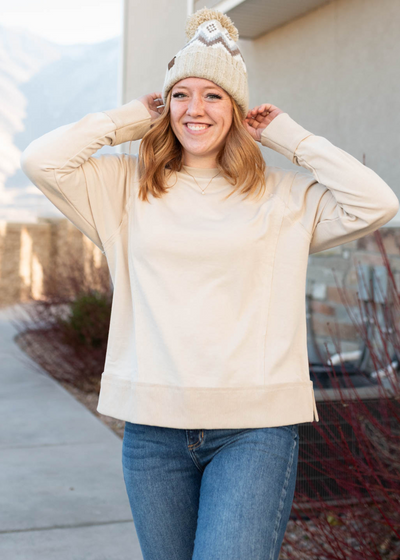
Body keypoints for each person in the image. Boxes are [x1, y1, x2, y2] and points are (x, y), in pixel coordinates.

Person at [20, 7, 399, 560]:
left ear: (238, 109)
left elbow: (378, 201)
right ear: (165, 104)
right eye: (181, 94)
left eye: (214, 95)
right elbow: (42, 160)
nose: (195, 109)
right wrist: (131, 117)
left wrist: (289, 137)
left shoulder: (283, 195)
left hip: (254, 433)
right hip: (153, 433)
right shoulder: (123, 189)